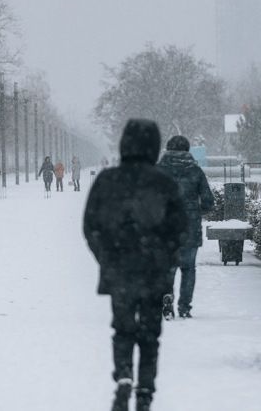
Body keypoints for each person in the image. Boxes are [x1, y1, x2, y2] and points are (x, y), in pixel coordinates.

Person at [83, 119, 186, 411]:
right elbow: (179, 229)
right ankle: (145, 389)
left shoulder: (107, 180)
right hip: (153, 270)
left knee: (123, 328)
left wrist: (105, 257)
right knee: (151, 334)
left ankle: (124, 376)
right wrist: (165, 257)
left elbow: (90, 225)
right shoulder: (163, 182)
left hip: (120, 270)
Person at [156, 135, 214, 318]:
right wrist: (197, 211)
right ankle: (185, 306)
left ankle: (166, 297)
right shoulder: (195, 171)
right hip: (190, 226)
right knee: (188, 268)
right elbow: (208, 201)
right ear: (187, 150)